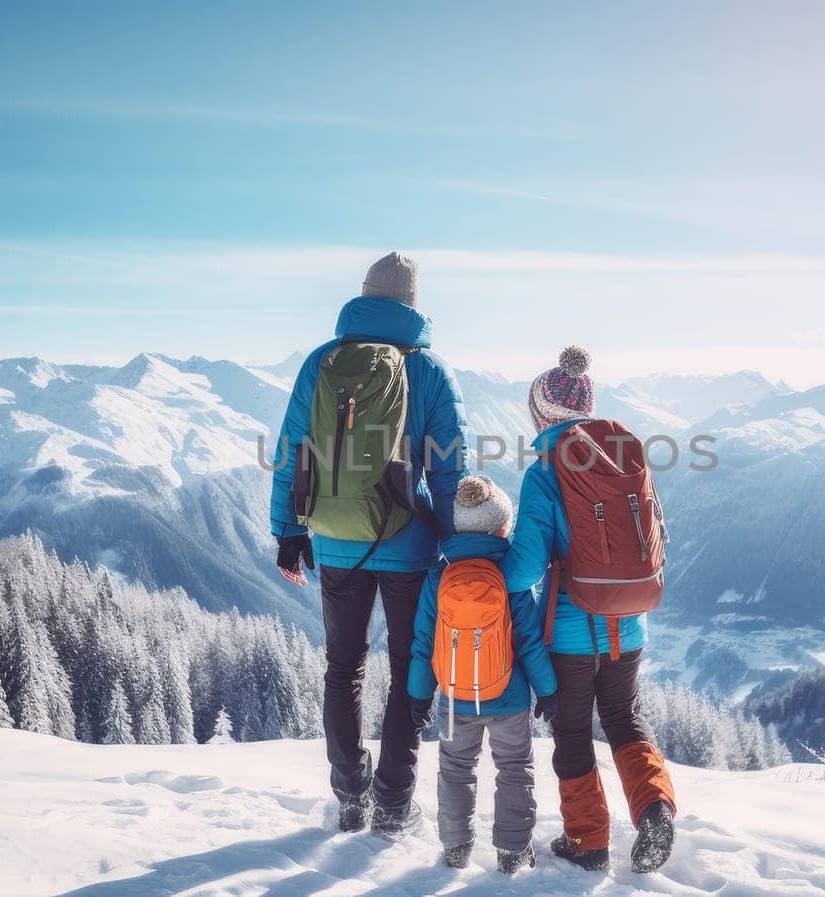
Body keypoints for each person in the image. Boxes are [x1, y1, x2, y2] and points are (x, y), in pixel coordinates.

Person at [269, 252, 470, 838]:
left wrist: (289, 530)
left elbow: (291, 449)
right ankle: (394, 800)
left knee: (343, 669)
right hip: (407, 543)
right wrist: (460, 548)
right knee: (410, 668)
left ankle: (349, 795)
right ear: (411, 303)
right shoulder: (429, 370)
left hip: (335, 542)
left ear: (363, 295)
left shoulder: (321, 362)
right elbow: (450, 472)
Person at [498, 346, 677, 873]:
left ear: (541, 415)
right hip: (631, 622)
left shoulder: (545, 472)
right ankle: (656, 810)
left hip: (571, 634)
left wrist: (487, 572)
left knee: (573, 731)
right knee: (625, 719)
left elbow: (527, 566)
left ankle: (589, 840)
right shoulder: (624, 456)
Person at [408, 475, 558, 873]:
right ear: (500, 527)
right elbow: (527, 642)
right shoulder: (509, 578)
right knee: (514, 769)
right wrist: (548, 690)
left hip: (456, 701)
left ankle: (456, 848)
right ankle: (512, 851)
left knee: (456, 769)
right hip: (507, 697)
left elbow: (424, 642)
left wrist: (418, 695)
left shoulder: (438, 577)